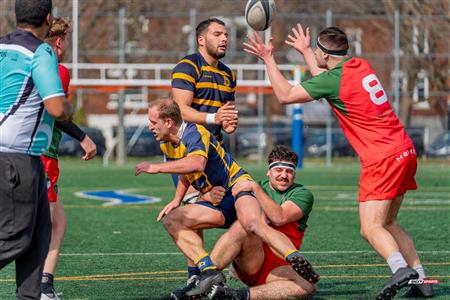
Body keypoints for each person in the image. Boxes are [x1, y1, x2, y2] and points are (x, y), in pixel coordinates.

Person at [243, 25, 431, 299]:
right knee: (389, 223)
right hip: (404, 150)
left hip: (381, 158)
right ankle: (422, 282)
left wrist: (269, 58)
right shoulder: (360, 65)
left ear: (326, 55)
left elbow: (285, 96)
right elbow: (327, 78)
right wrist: (307, 51)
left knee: (370, 228)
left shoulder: (334, 79)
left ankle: (400, 269)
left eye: (317, 51)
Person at [134, 99, 319, 299]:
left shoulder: (195, 132)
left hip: (236, 185)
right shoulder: (167, 144)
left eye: (153, 121)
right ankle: (207, 273)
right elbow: (184, 171)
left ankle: (292, 256)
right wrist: (177, 198)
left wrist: (155, 168)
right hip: (221, 203)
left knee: (250, 223)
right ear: (268, 172)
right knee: (173, 220)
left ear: (168, 122)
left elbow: (196, 163)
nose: (149, 126)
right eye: (278, 170)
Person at [0, 0, 74, 299]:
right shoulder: (41, 51)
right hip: (17, 157)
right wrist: (68, 108)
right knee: (16, 238)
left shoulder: (3, 46)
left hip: (18, 156)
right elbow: (56, 107)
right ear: (47, 17)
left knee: (38, 238)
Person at [206, 145, 316, 300]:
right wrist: (208, 196)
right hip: (251, 260)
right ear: (269, 171)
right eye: (279, 170)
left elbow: (280, 217)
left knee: (308, 285)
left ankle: (236, 295)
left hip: (278, 269)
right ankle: (203, 279)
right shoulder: (251, 186)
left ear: (294, 174)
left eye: (289, 171)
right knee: (244, 225)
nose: (284, 175)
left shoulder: (302, 194)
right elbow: (220, 211)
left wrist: (256, 189)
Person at [39, 17, 97, 300]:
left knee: (58, 223)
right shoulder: (55, 69)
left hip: (26, 155)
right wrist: (83, 137)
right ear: (59, 42)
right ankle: (36, 288)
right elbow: (57, 111)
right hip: (41, 157)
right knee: (37, 228)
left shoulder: (24, 64)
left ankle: (44, 285)